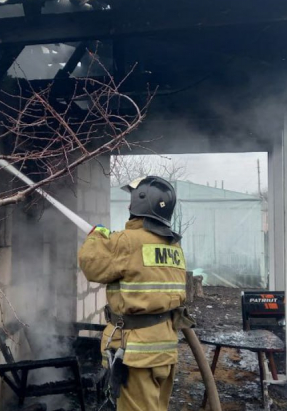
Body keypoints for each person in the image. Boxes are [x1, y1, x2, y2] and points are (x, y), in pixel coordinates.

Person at [78, 176, 186, 411]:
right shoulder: (173, 246)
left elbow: (91, 265)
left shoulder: (126, 242)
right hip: (164, 347)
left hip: (137, 351)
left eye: (131, 201)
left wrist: (97, 236)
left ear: (140, 203)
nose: (128, 206)